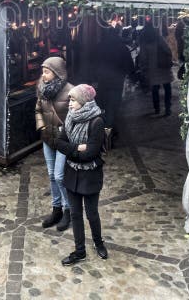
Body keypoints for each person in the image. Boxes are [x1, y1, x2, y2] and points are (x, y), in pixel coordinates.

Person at [55, 84, 108, 265]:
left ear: (84, 101)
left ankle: (98, 243)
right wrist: (78, 148)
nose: (70, 103)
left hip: (90, 175)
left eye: (73, 99)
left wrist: (72, 150)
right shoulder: (70, 118)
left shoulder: (96, 121)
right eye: (70, 99)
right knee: (76, 215)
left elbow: (91, 153)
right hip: (72, 173)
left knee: (91, 213)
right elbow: (59, 143)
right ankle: (80, 251)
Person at [34, 56, 74, 231]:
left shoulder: (71, 91)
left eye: (47, 71)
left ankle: (68, 210)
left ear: (57, 72)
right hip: (47, 139)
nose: (43, 75)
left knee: (59, 176)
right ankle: (56, 209)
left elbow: (75, 117)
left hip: (63, 140)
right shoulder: (42, 89)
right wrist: (41, 126)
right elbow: (38, 109)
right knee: (51, 175)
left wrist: (65, 133)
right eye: (43, 71)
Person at [93, 26, 134, 135]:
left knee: (103, 106)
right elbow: (129, 65)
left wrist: (94, 77)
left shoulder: (99, 46)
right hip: (116, 82)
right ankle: (108, 136)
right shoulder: (122, 47)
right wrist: (131, 76)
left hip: (102, 81)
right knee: (112, 107)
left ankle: (106, 131)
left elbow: (93, 63)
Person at [137, 20, 174, 116]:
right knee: (167, 87)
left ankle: (157, 108)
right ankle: (167, 109)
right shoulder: (158, 38)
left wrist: (144, 67)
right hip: (163, 66)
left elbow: (143, 56)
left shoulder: (144, 40)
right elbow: (167, 50)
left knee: (155, 88)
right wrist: (169, 58)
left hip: (152, 68)